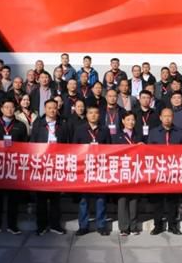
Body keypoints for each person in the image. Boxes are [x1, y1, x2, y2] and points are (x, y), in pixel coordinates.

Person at [0, 99, 29, 236]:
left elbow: (25, 145)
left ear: (15, 109)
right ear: (1, 109)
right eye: (6, 107)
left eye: (11, 107)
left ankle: (12, 225)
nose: (9, 109)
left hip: (14, 166)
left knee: (13, 199)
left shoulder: (20, 125)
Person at [30, 99, 68, 235]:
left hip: (57, 164)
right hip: (41, 164)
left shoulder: (62, 125)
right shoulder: (38, 124)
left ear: (57, 109)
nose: (52, 110)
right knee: (41, 198)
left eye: (54, 108)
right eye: (49, 108)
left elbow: (68, 144)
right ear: (45, 109)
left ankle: (55, 225)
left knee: (55, 198)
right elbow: (32, 142)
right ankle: (41, 226)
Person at [72, 105, 111, 236]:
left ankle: (101, 225)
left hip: (100, 168)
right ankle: (83, 226)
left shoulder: (104, 130)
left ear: (99, 115)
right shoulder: (80, 130)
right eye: (90, 113)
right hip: (84, 169)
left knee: (101, 199)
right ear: (87, 115)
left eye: (96, 113)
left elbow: (110, 148)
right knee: (84, 200)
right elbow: (74, 148)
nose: (93, 115)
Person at [148, 108, 182, 235]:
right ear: (160, 117)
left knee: (172, 200)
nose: (167, 118)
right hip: (158, 170)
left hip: (174, 171)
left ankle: (172, 225)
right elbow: (149, 152)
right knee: (157, 200)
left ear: (173, 117)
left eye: (169, 116)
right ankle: (158, 225)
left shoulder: (179, 132)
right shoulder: (154, 132)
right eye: (165, 116)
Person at [112, 112, 143, 236]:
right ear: (123, 121)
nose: (131, 122)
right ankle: (124, 227)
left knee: (134, 200)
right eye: (128, 119)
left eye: (133, 120)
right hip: (122, 171)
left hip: (135, 170)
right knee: (122, 200)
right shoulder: (117, 136)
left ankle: (134, 226)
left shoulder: (139, 136)